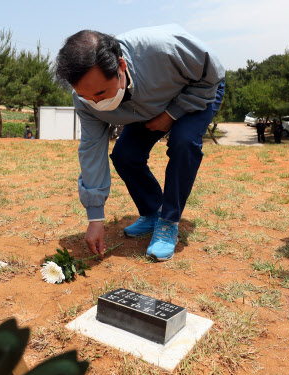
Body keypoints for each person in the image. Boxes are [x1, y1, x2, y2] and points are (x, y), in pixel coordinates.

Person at [55, 25, 225, 262]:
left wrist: (171, 114)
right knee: (125, 154)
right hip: (143, 107)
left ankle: (168, 222)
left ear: (121, 67)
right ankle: (152, 212)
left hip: (197, 91)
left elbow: (211, 74)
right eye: (86, 97)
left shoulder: (164, 48)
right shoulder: (86, 101)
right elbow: (92, 151)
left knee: (183, 142)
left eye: (102, 93)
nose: (96, 103)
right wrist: (95, 218)